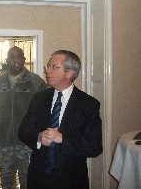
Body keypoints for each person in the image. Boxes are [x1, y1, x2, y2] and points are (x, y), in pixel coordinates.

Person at [18, 50, 103, 189]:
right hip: (38, 177)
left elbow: (94, 147)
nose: (47, 71)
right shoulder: (39, 98)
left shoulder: (88, 104)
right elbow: (23, 131)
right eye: (48, 66)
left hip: (71, 179)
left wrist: (63, 139)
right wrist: (38, 137)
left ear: (70, 73)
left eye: (54, 67)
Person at [0, 46, 48, 189]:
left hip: (27, 144)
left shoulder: (35, 81)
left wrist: (36, 132)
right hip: (4, 143)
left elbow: (45, 109)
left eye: (19, 56)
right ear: (7, 60)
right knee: (6, 181)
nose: (16, 60)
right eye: (12, 57)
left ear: (24, 59)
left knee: (28, 180)